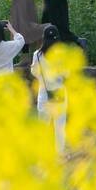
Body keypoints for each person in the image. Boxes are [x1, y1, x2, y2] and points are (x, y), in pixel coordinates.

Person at [31, 25, 66, 153]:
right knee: (59, 126)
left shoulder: (38, 55)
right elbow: (66, 74)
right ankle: (59, 154)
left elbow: (34, 72)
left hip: (44, 92)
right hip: (59, 92)